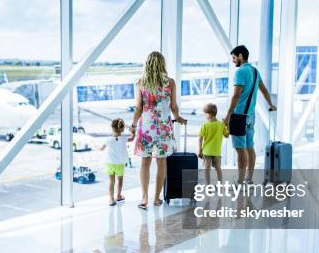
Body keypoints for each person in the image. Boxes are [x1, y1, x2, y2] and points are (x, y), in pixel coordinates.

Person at [130, 51, 186, 210]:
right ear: (162, 63)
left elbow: (138, 108)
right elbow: (173, 106)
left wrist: (133, 127)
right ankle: (156, 198)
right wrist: (178, 117)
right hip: (163, 128)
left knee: (145, 162)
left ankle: (144, 198)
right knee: (161, 162)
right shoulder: (170, 83)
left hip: (146, 128)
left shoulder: (141, 82)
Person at [223, 45, 276, 183]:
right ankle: (249, 179)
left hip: (239, 115)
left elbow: (236, 96)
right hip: (251, 116)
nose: (233, 61)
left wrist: (228, 115)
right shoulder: (255, 71)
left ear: (241, 55)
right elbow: (264, 90)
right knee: (249, 147)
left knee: (240, 149)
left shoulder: (240, 72)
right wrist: (271, 104)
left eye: (234, 58)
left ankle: (240, 181)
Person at [98, 118, 133, 206]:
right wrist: (134, 132)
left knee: (111, 181)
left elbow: (102, 148)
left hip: (110, 163)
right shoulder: (124, 139)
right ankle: (118, 195)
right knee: (120, 180)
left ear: (111, 127)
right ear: (122, 128)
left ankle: (111, 199)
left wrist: (98, 148)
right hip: (120, 164)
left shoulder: (108, 139)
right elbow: (132, 138)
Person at [198, 103, 229, 186]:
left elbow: (200, 139)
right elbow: (227, 136)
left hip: (207, 151)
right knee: (218, 169)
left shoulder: (205, 125)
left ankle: (208, 186)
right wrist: (227, 126)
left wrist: (200, 150)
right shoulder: (221, 124)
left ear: (209, 114)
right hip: (216, 151)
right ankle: (220, 185)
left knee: (207, 169)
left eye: (205, 114)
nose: (205, 116)